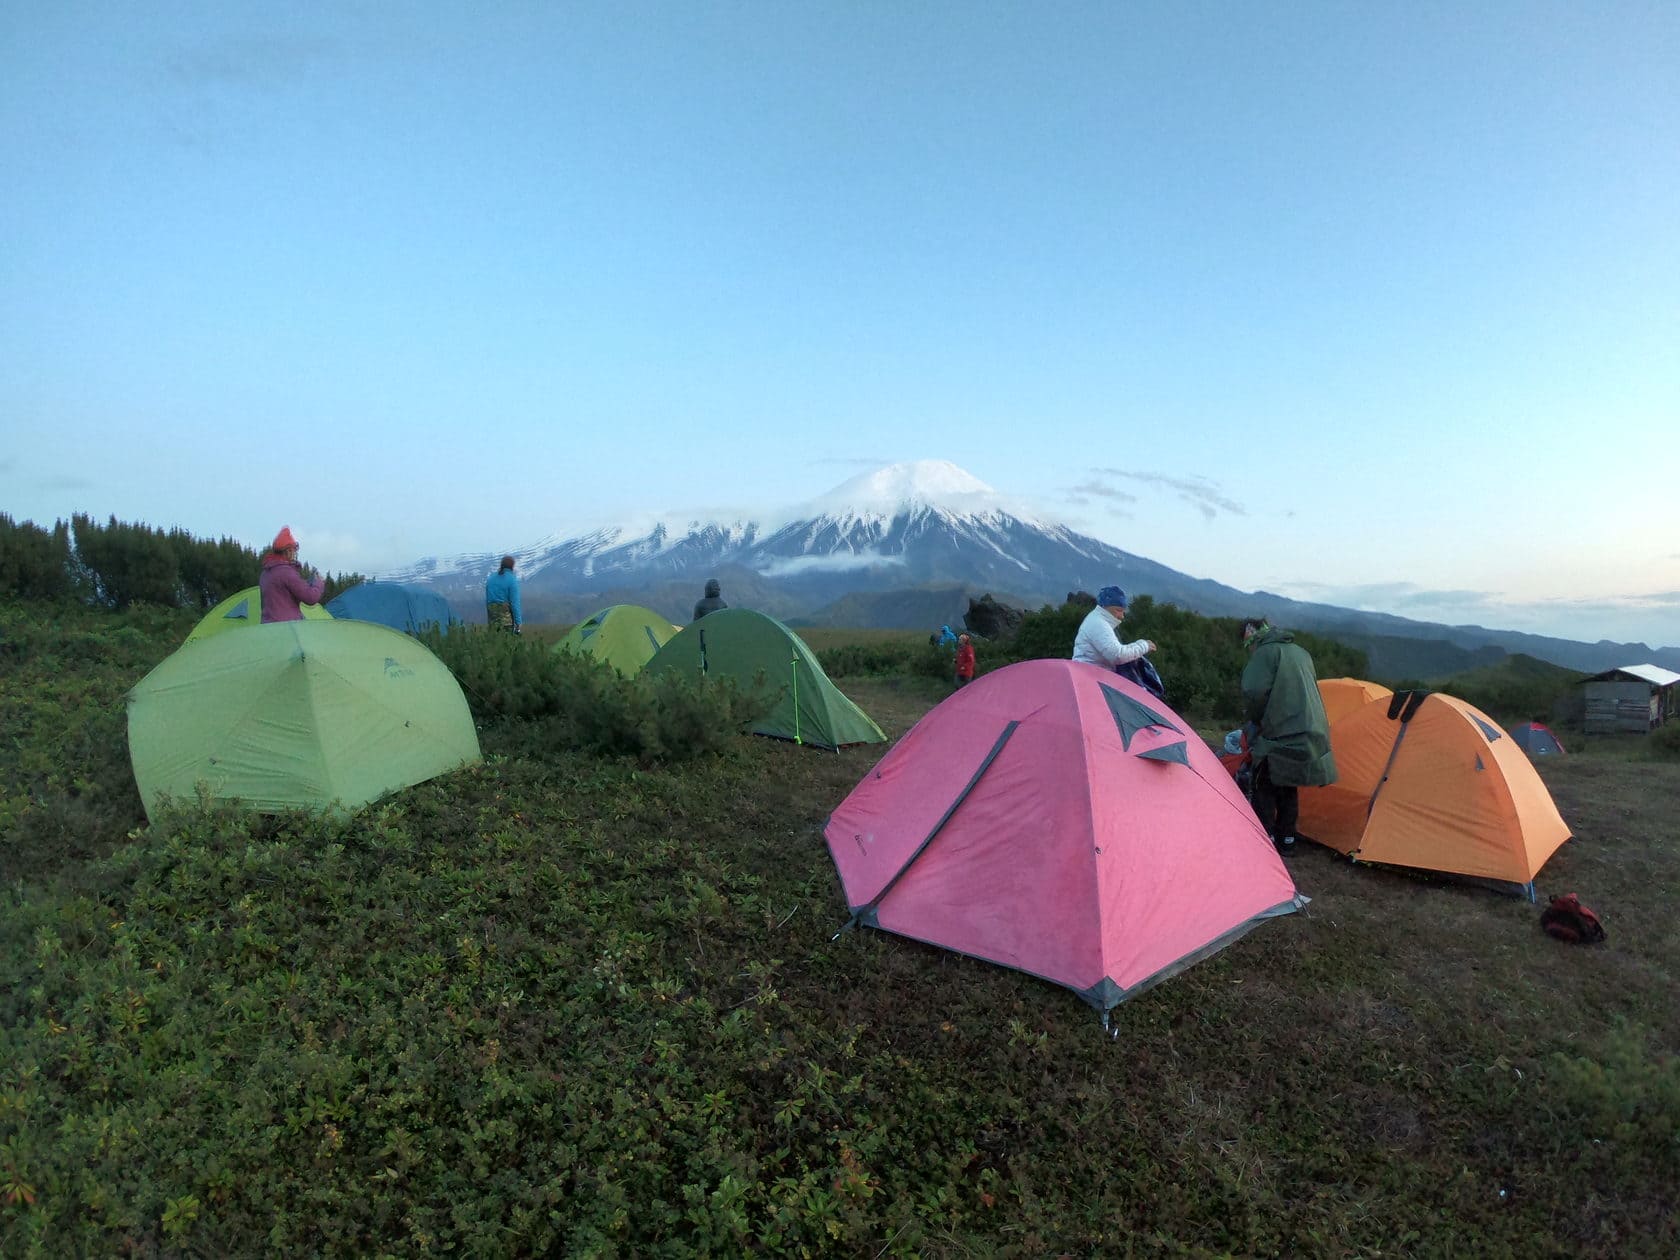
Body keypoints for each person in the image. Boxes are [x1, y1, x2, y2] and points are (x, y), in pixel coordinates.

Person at [1240, 617, 1337, 855]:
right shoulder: (1300, 653)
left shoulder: (1265, 653)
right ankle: (1287, 841)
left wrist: (1255, 719)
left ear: (1252, 636)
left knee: (1262, 783)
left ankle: (1265, 839)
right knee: (1287, 786)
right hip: (1308, 729)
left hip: (1280, 730)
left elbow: (1254, 692)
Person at [1072, 585, 1155, 671]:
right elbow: (1117, 655)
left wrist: (1139, 644)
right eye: (1118, 610)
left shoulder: (1096, 620)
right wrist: (1144, 646)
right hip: (1089, 675)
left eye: (1123, 611)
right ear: (1105, 606)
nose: (1122, 616)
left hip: (1089, 672)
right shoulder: (1099, 624)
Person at [258, 526, 325, 623]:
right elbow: (310, 597)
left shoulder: (265, 573)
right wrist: (319, 583)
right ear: (288, 551)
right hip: (286, 629)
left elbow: (284, 593)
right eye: (294, 550)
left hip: (267, 626)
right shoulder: (287, 572)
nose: (295, 553)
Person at [485, 555, 522, 633]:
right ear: (512, 566)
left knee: (493, 640)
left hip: (492, 616)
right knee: (506, 641)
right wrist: (518, 622)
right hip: (506, 618)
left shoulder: (491, 578)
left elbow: (488, 599)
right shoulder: (512, 580)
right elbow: (514, 603)